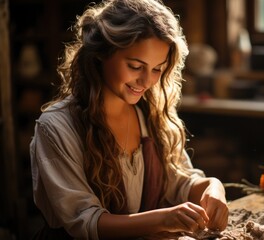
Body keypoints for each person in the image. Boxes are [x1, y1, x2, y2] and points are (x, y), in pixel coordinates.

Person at [29, 0, 229, 239]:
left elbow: (181, 182)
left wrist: (213, 188)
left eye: (157, 69)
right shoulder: (57, 127)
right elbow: (86, 223)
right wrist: (162, 219)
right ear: (102, 54)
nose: (147, 82)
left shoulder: (152, 115)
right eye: (136, 66)